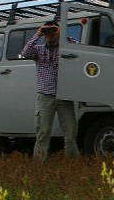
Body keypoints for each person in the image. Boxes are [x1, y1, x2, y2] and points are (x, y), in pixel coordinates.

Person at [20, 20, 80, 160]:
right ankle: (39, 164)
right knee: (43, 131)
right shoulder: (39, 50)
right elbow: (25, 53)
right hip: (45, 95)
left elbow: (79, 51)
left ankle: (74, 162)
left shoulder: (66, 48)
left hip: (64, 95)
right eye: (48, 31)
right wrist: (38, 34)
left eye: (53, 30)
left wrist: (62, 34)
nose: (50, 34)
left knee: (70, 131)